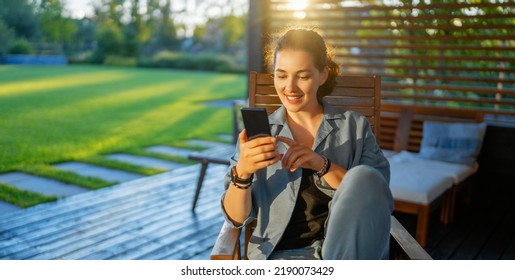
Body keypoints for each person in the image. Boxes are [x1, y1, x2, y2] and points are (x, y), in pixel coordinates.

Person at [221, 28, 393, 260]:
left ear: (323, 75)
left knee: (365, 175)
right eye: (281, 75)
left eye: (302, 76)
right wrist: (242, 172)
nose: (289, 87)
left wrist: (322, 164)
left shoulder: (355, 127)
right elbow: (236, 219)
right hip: (280, 257)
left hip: (347, 254)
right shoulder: (259, 138)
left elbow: (375, 195)